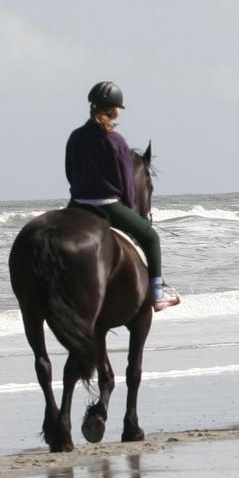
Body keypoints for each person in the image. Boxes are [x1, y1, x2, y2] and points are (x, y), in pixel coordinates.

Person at [65, 81, 181, 311]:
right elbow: (127, 183)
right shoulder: (116, 141)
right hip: (107, 205)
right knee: (151, 238)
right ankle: (157, 294)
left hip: (77, 205)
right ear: (114, 109)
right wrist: (128, 208)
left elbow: (70, 172)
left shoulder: (75, 136)